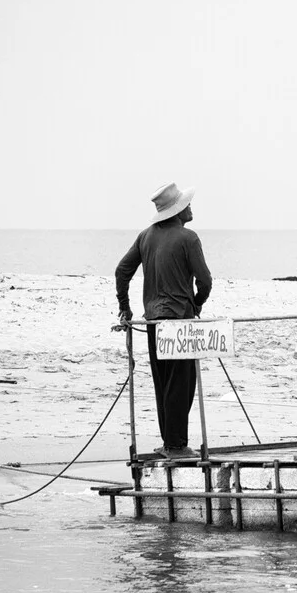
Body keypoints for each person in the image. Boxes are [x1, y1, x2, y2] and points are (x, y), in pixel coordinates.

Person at [115, 182, 213, 459]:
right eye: (187, 204)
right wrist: (197, 302)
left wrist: (126, 308)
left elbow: (122, 271)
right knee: (182, 383)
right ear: (178, 211)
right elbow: (205, 280)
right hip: (179, 322)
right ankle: (176, 445)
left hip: (153, 322)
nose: (191, 207)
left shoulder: (145, 236)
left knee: (163, 382)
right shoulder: (188, 238)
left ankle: (169, 442)